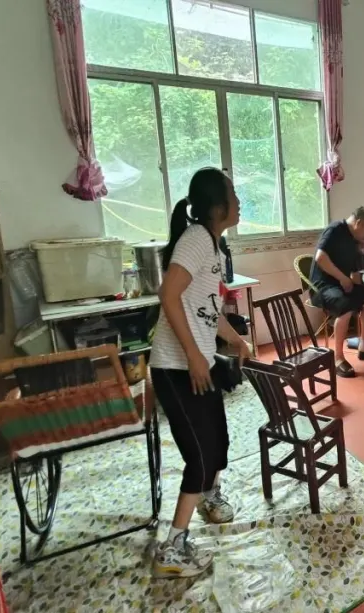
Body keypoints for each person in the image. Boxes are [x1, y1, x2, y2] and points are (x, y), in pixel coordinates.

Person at [149, 168, 253, 579]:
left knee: (218, 441)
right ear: (216, 207)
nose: (239, 202)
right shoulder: (195, 239)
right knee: (200, 453)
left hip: (198, 363)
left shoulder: (214, 245)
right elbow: (168, 294)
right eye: (233, 195)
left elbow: (207, 310)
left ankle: (209, 496)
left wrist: (237, 341)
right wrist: (193, 355)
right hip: (175, 368)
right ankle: (172, 549)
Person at [311, 207, 364, 378]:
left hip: (341, 284)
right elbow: (320, 257)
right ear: (359, 223)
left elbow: (353, 272)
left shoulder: (353, 239)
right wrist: (342, 278)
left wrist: (363, 282)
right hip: (323, 286)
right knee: (346, 305)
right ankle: (338, 358)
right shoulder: (335, 230)